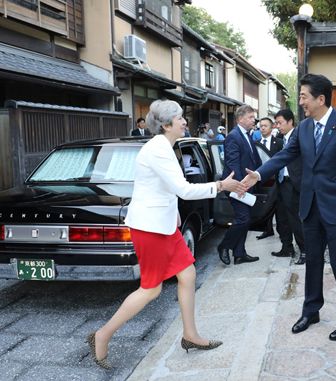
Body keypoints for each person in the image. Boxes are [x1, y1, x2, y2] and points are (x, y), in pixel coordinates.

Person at [86, 100, 246, 369]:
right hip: (150, 228)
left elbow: (163, 189)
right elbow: (183, 189)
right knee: (151, 289)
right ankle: (101, 335)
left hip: (164, 225)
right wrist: (221, 185)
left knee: (188, 274)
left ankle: (190, 335)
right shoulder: (158, 149)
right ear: (166, 125)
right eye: (180, 118)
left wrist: (175, 215)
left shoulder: (165, 147)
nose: (185, 121)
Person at [242, 73, 336, 341]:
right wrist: (259, 173)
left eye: (304, 97)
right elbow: (286, 155)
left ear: (321, 99)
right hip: (310, 207)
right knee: (312, 262)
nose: (301, 103)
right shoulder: (304, 129)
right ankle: (311, 310)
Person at [217, 104, 262, 265]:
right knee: (243, 219)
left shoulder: (247, 135)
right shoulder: (233, 136)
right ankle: (224, 246)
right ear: (240, 118)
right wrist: (240, 186)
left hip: (246, 185)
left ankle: (239, 254)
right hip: (236, 185)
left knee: (245, 219)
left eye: (253, 117)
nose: (253, 120)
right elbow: (233, 164)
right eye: (250, 117)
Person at [272, 109, 306, 265]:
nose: (277, 126)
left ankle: (305, 251)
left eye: (280, 123)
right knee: (281, 218)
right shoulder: (279, 139)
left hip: (294, 184)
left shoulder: (299, 137)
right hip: (280, 182)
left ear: (290, 121)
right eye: (276, 123)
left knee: (295, 220)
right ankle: (287, 247)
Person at [256, 117, 281, 240]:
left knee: (277, 206)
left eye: (265, 126)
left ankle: (282, 232)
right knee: (264, 205)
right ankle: (267, 229)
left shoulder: (279, 142)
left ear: (272, 128)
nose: (263, 128)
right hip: (262, 180)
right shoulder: (256, 143)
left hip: (276, 180)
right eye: (261, 126)